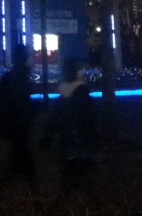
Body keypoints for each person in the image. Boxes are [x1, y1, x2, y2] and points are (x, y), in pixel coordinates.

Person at [0, 43, 37, 201]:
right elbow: (21, 103)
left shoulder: (10, 76)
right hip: (19, 126)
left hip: (13, 125)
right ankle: (34, 194)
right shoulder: (21, 77)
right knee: (21, 159)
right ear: (25, 58)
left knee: (19, 159)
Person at [40, 59, 97, 189]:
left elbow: (56, 116)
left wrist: (48, 134)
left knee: (70, 168)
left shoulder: (63, 92)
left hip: (68, 136)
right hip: (80, 136)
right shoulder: (82, 91)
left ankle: (70, 191)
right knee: (81, 169)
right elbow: (88, 116)